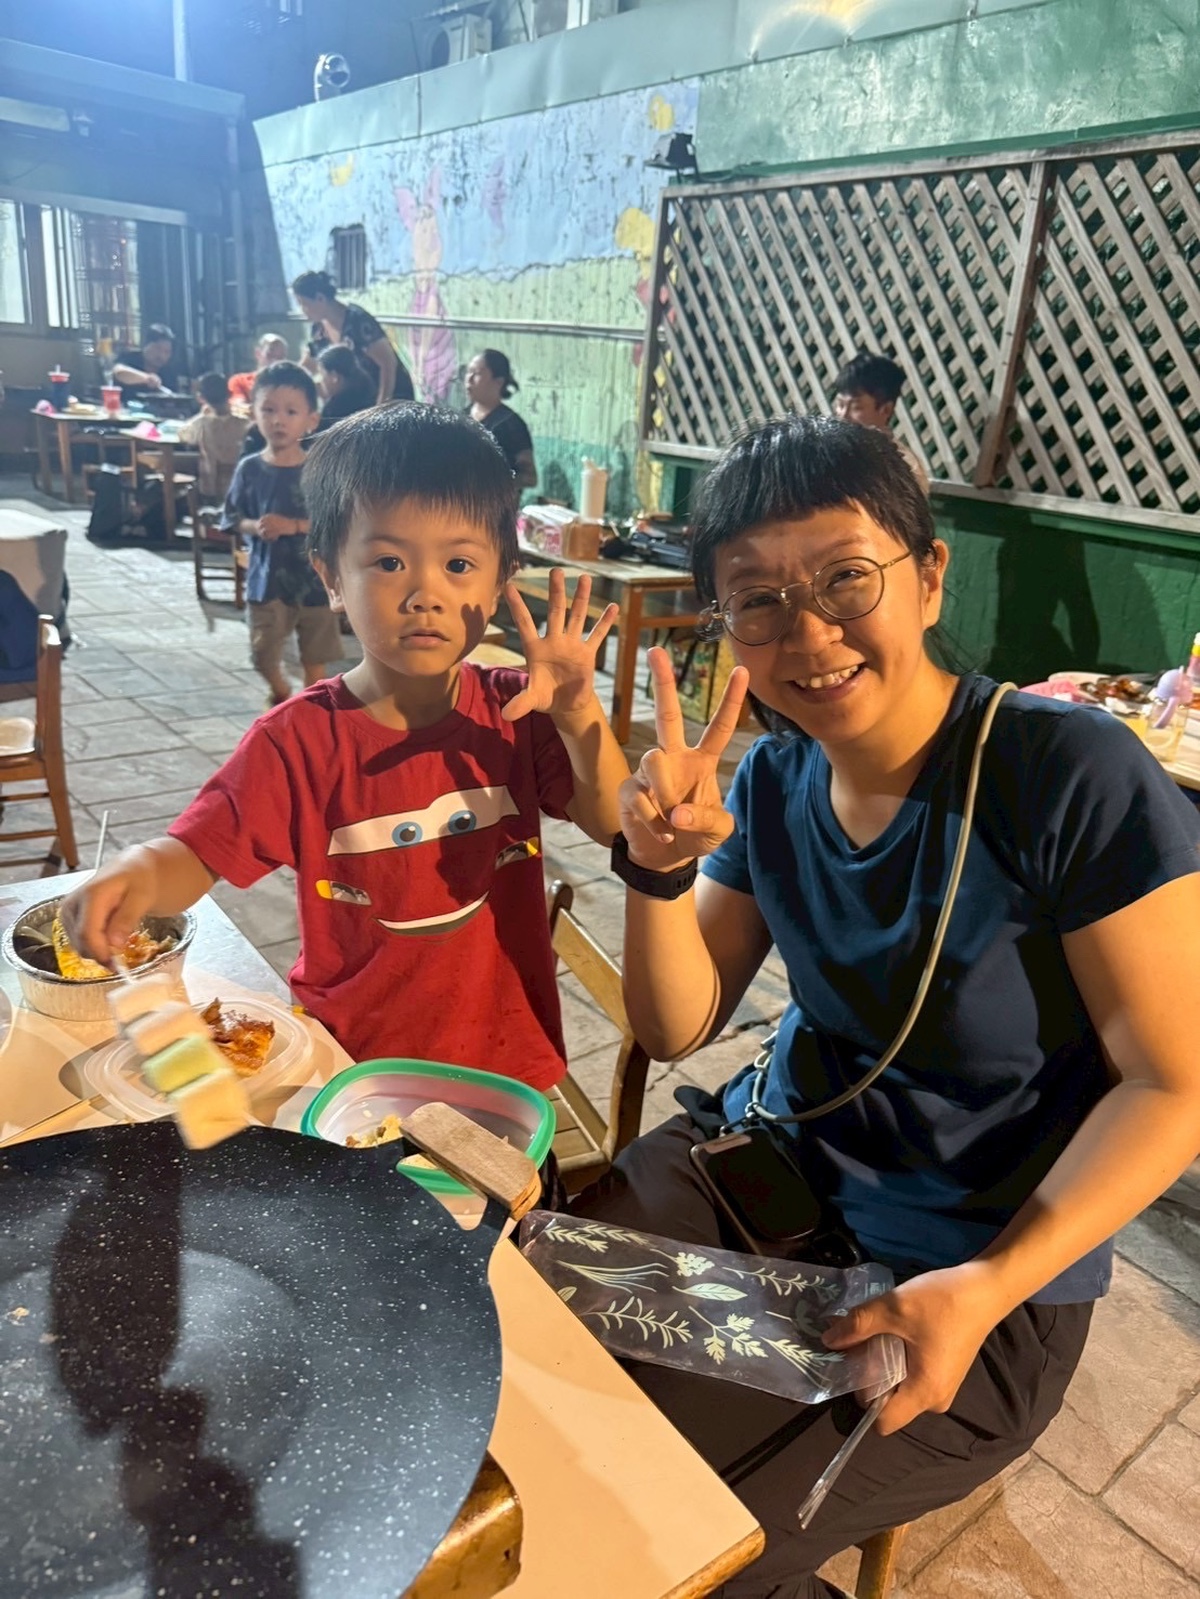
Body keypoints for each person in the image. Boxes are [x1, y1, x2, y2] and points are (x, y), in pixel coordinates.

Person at [573, 415, 1200, 1597]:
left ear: (928, 575)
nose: (809, 633)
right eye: (758, 600)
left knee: (660, 1547)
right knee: (524, 1364)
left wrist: (990, 1286)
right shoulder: (775, 777)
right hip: (760, 1183)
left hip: (968, 1283)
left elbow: (1176, 1085)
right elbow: (674, 1026)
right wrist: (653, 870)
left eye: (845, 579)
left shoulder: (1064, 772)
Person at [60, 404, 628, 1088]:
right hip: (353, 1069)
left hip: (503, 1065)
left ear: (501, 578)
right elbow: (198, 851)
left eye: (458, 564)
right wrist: (138, 873)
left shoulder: (519, 712)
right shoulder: (296, 742)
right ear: (331, 577)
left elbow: (612, 823)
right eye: (388, 562)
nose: (424, 594)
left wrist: (579, 713)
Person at [220, 361, 334, 708]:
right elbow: (232, 517)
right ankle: (281, 690)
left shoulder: (319, 470)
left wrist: (294, 526)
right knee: (263, 653)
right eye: (268, 410)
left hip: (316, 579)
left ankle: (309, 716)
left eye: (290, 411)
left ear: (311, 419)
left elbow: (336, 522)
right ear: (253, 413)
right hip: (266, 579)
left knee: (315, 659)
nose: (278, 420)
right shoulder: (250, 469)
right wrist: (255, 526)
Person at [292, 270, 414, 406]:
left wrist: (382, 405)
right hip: (358, 401)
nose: (302, 310)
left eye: (304, 304)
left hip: (390, 397)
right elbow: (310, 362)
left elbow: (388, 363)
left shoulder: (358, 321)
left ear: (320, 298)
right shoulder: (318, 329)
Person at [832, 351, 929, 493]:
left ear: (886, 410)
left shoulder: (906, 466)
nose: (843, 416)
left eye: (856, 407)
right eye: (840, 404)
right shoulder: (829, 450)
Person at [465, 349, 537, 491]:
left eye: (477, 373)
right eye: (468, 372)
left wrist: (491, 483)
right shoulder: (460, 418)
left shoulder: (511, 425)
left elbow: (529, 477)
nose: (469, 379)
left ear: (498, 382)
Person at [178, 372, 250, 502]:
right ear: (230, 394)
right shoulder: (245, 424)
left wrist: (202, 414)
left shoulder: (201, 423)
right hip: (241, 486)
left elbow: (183, 434)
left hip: (211, 485)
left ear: (201, 398)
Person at [111, 324, 182, 401]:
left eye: (167, 352)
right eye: (157, 348)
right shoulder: (130, 357)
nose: (161, 355)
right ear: (146, 345)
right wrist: (146, 378)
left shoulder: (168, 373)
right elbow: (119, 372)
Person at [316, 344, 377, 428]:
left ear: (334, 376)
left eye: (322, 374)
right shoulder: (368, 392)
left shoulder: (333, 411)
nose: (321, 381)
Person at [229, 333, 290, 408]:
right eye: (270, 355)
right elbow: (238, 406)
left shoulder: (290, 386)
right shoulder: (240, 381)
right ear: (258, 353)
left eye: (280, 358)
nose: (274, 361)